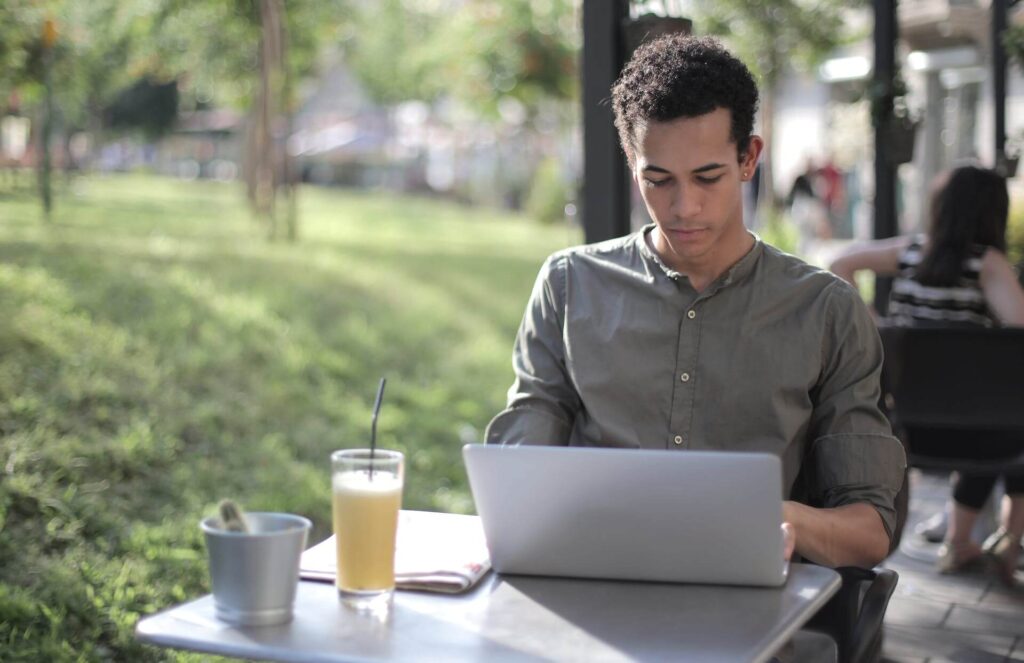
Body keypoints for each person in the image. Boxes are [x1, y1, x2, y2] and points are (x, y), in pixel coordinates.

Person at [486, 35, 906, 570]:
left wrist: (769, 517)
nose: (684, 207)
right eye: (657, 180)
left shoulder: (826, 311)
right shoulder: (569, 285)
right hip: (594, 585)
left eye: (708, 177)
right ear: (632, 162)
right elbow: (519, 478)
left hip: (751, 608)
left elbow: (869, 532)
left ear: (748, 157)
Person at [830, 165, 1024, 584]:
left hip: (905, 426)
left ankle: (968, 540)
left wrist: (876, 325)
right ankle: (998, 538)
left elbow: (840, 263)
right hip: (979, 434)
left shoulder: (910, 252)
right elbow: (1018, 331)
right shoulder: (987, 264)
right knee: (1012, 417)